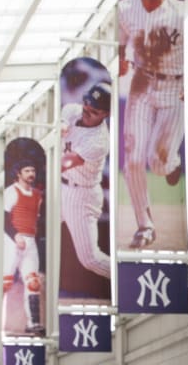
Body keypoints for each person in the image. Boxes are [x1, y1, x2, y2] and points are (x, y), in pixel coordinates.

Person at [118, 0, 185, 249]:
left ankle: (171, 165)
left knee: (157, 164)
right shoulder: (125, 8)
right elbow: (119, 41)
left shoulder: (180, 13)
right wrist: (119, 59)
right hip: (142, 84)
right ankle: (145, 226)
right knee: (132, 158)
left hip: (175, 86)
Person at [60, 80, 113, 278]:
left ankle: (127, 279)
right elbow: (65, 118)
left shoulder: (99, 141)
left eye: (94, 111)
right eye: (87, 105)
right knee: (34, 226)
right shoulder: (73, 109)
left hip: (81, 196)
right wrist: (62, 126)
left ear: (106, 114)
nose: (87, 112)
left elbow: (63, 163)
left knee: (90, 259)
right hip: (62, 186)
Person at [3, 160, 45, 335]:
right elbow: (3, 217)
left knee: (33, 283)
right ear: (18, 173)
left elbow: (38, 220)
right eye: (27, 170)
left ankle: (33, 323)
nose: (31, 173)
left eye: (33, 170)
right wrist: (15, 235)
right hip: (11, 241)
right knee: (4, 283)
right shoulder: (11, 192)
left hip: (30, 241)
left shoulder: (37, 195)